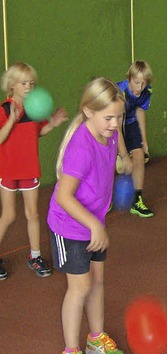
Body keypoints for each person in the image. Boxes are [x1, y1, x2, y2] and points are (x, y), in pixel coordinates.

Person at [48, 77, 125, 354]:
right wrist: (94, 224)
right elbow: (63, 196)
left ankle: (96, 338)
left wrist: (123, 158)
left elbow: (117, 139)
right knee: (80, 287)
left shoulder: (111, 132)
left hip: (94, 222)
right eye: (108, 118)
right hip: (69, 224)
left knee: (97, 282)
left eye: (119, 116)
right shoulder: (81, 147)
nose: (115, 124)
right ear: (88, 112)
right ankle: (71, 349)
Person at [0, 62, 67, 280]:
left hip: (29, 168)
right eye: (23, 83)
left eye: (31, 83)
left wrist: (54, 123)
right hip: (8, 169)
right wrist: (11, 121)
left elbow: (39, 131)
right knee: (8, 215)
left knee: (32, 214)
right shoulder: (4, 109)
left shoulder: (34, 108)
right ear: (12, 86)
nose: (29, 87)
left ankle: (35, 256)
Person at [117, 61, 154, 217]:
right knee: (107, 161)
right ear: (129, 78)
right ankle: (102, 197)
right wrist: (124, 155)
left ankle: (137, 201)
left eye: (143, 83)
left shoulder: (146, 92)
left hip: (131, 122)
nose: (140, 87)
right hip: (112, 123)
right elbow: (116, 126)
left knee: (139, 157)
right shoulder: (119, 92)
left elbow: (140, 112)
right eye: (136, 82)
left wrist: (144, 141)